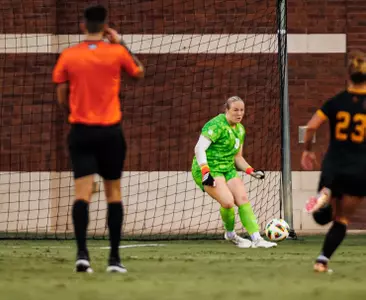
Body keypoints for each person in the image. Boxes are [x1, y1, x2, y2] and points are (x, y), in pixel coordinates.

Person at [52, 4, 144, 273]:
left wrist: (73, 113)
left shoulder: (69, 55)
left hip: (80, 131)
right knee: (113, 194)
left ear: (82, 25)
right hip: (110, 133)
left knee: (81, 194)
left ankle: (82, 256)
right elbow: (139, 72)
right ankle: (114, 260)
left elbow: (61, 92)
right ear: (105, 27)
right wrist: (121, 42)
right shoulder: (116, 52)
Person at [301, 51, 366, 273]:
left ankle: (325, 194)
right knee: (342, 219)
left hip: (334, 164)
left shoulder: (336, 102)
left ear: (348, 76)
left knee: (325, 216)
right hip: (359, 168)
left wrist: (307, 151)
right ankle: (321, 261)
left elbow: (311, 127)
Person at [191, 96, 277, 248]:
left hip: (228, 169)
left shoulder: (240, 129)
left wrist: (251, 171)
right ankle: (231, 234)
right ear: (227, 110)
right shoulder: (216, 125)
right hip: (208, 168)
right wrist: (206, 172)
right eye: (235, 110)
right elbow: (199, 148)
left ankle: (257, 239)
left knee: (242, 198)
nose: (239, 113)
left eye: (242, 110)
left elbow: (237, 157)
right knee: (228, 202)